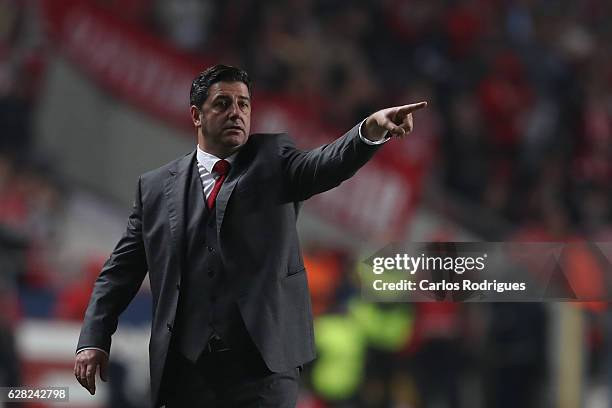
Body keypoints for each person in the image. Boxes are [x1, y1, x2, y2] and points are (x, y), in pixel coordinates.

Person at [74, 64, 427, 407]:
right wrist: (93, 339)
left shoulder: (275, 159)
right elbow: (119, 273)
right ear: (196, 115)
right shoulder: (153, 188)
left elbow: (327, 163)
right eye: (223, 104)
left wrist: (370, 130)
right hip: (187, 371)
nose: (236, 113)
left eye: (243, 104)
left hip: (263, 370)